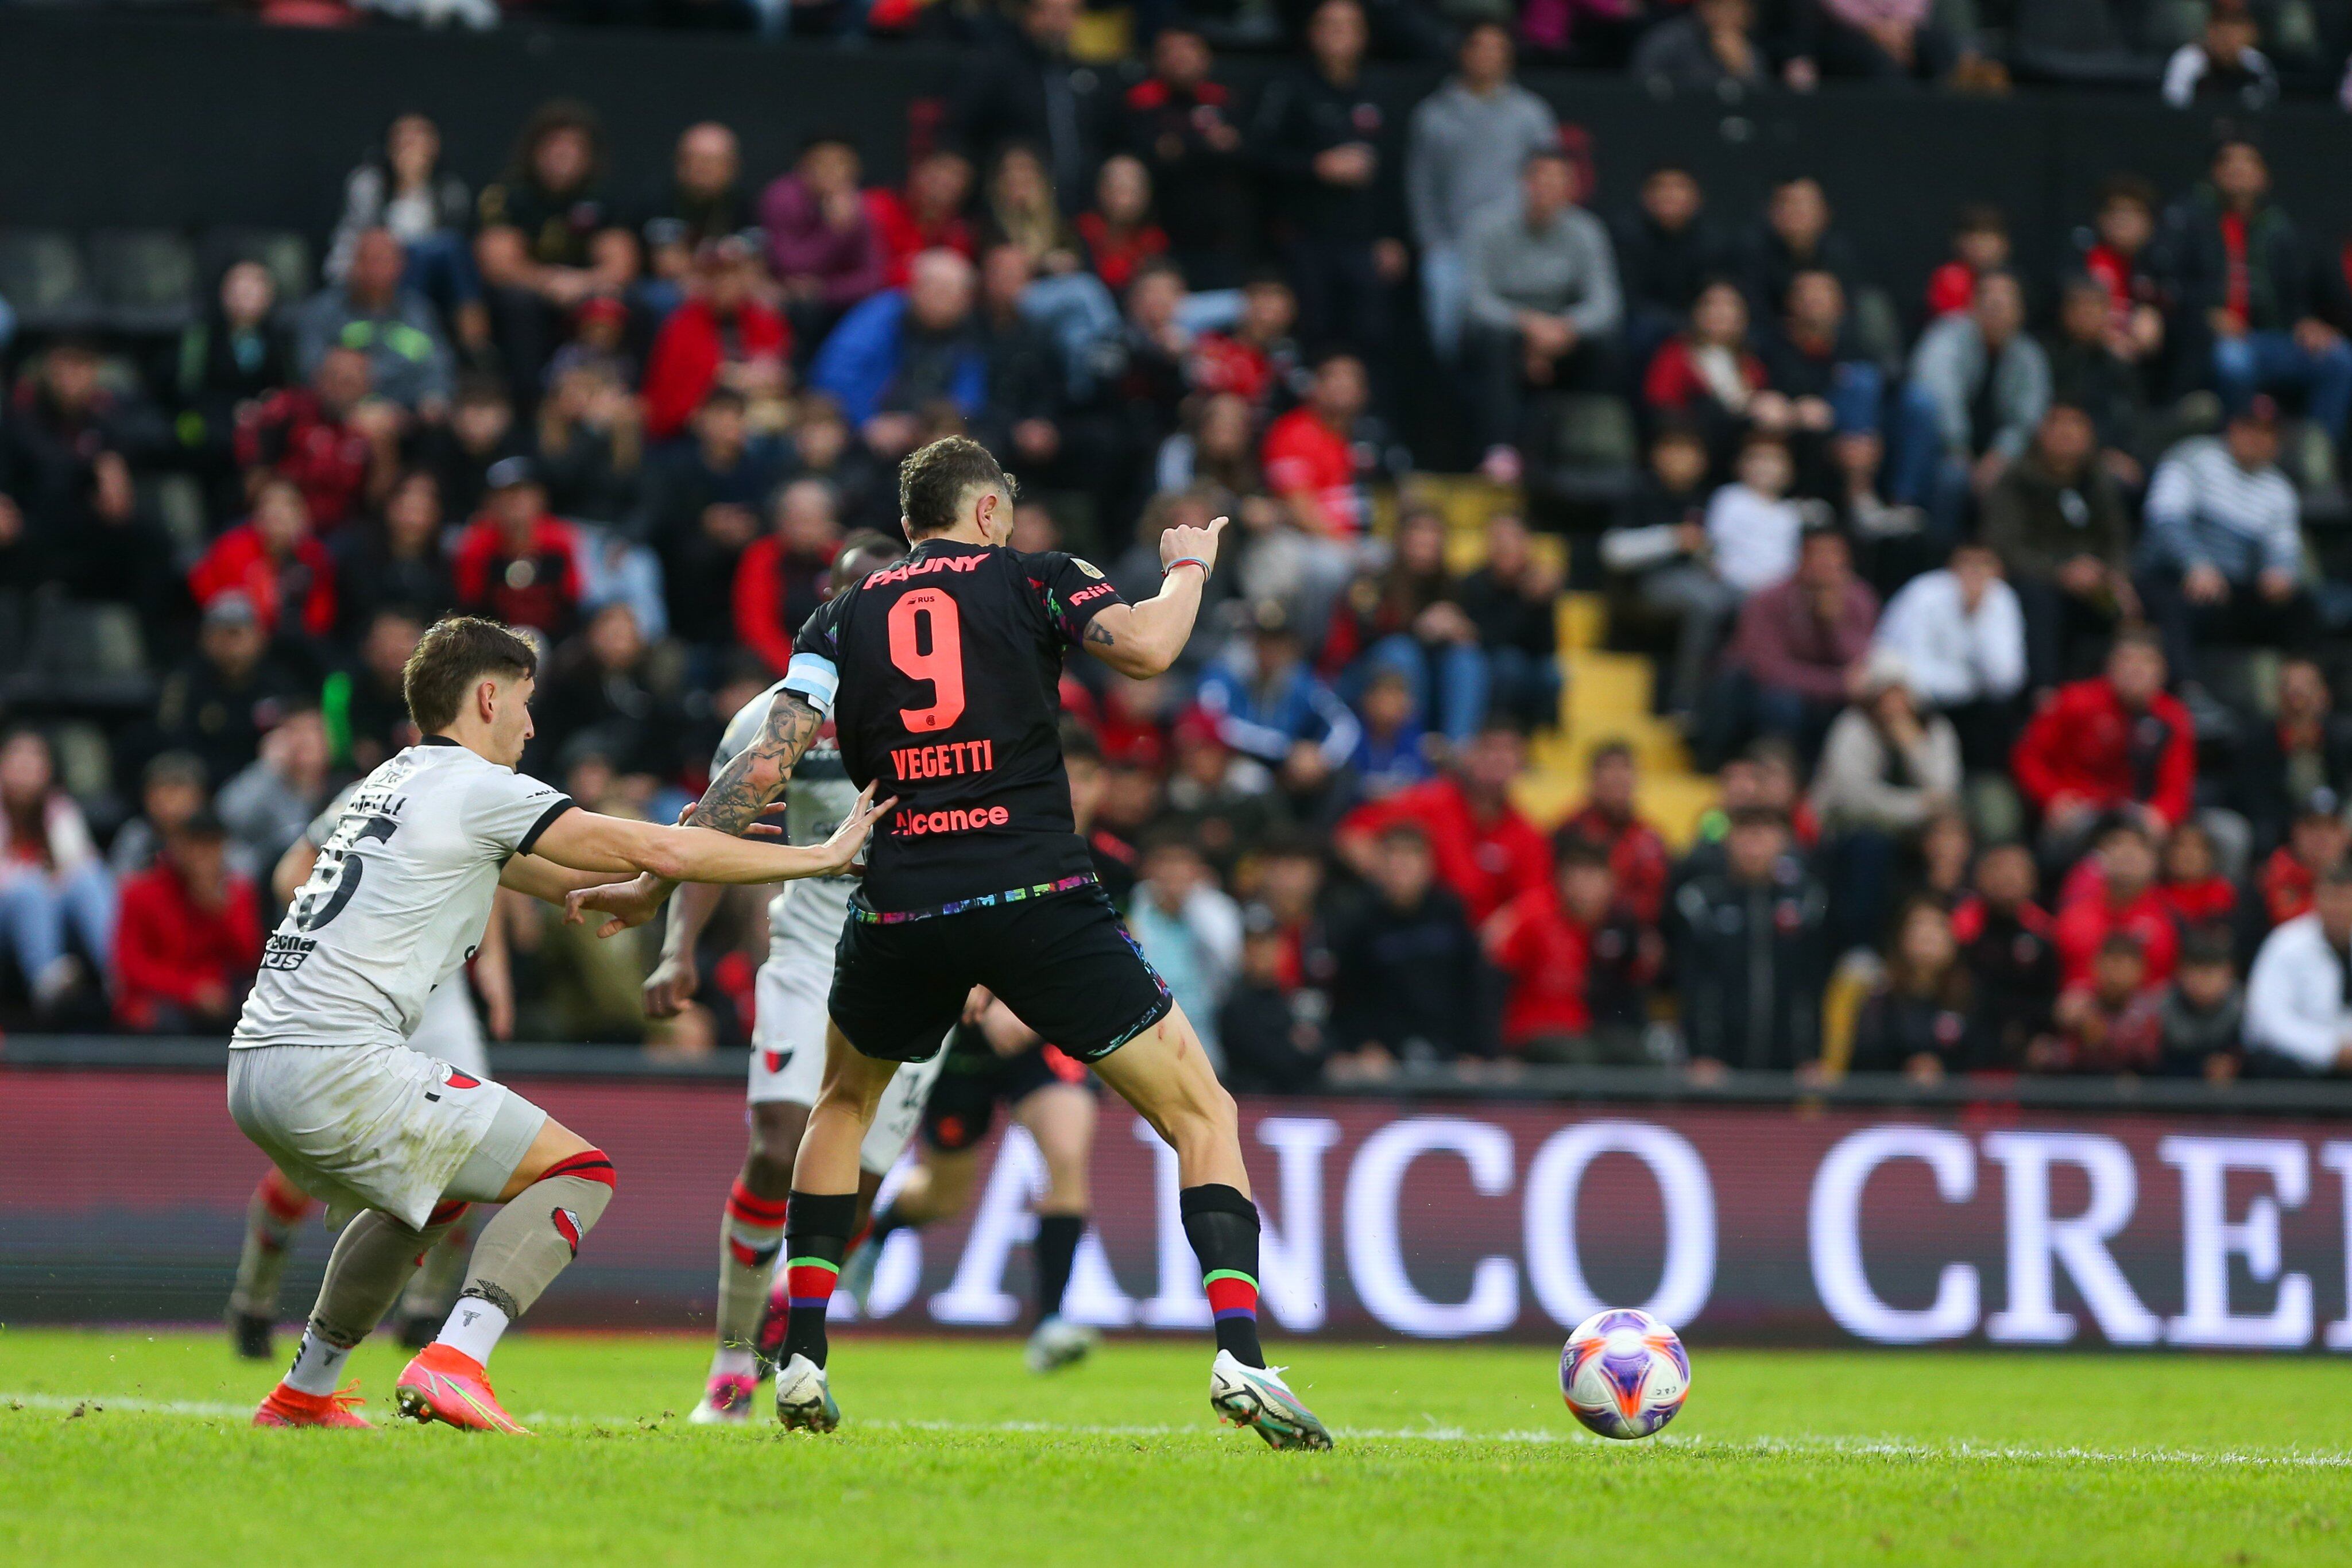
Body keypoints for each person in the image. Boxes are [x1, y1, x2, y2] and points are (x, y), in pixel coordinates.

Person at [563, 438, 1332, 1446]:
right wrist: (1187, 565)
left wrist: (653, 876)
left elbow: (760, 772)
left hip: (903, 903)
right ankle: (1240, 1355)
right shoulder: (1037, 577)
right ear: (982, 514)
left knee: (841, 1104)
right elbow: (1147, 650)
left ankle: (799, 1355)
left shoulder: (839, 617)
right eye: (1003, 513)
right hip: (1037, 894)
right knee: (1201, 1111)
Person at [232, 614, 892, 1432]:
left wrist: (652, 872)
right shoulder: (482, 786)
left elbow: (582, 875)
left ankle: (303, 1392)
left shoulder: (392, 781)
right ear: (485, 696)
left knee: (429, 1197)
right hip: (339, 1060)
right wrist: (818, 855)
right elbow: (653, 851)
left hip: (257, 1060)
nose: (532, 723)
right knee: (582, 1171)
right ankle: (457, 1357)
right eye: (524, 701)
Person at [627, 533, 950, 1420]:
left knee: (862, 1180)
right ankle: (731, 1361)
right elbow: (713, 829)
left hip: (923, 956)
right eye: (852, 597)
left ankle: (786, 1310)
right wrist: (676, 946)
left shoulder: (951, 709)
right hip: (809, 943)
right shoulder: (779, 714)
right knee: (779, 1142)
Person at [835, 720, 1132, 1375]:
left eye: (1088, 776)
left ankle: (1052, 1321)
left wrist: (1028, 1007)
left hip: (1039, 1038)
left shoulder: (1111, 862)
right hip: (960, 1042)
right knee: (943, 1196)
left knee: (1066, 1151)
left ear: (1104, 785)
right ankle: (880, 1233)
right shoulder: (995, 836)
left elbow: (1109, 947)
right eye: (1067, 775)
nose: (1077, 788)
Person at [223, 772, 516, 1361]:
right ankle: (254, 1298)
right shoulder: (377, 789)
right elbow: (292, 872)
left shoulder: (491, 792)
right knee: (314, 1158)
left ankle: (424, 1309)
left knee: (472, 1147)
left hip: (441, 998)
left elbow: (494, 879)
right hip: (362, 993)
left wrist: (494, 968)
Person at [2163, 136, 2348, 448]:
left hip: (2269, 340)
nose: (2237, 169)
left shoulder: (2279, 228)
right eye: (2228, 161)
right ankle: (2240, 447)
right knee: (2233, 361)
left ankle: (2315, 451)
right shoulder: (2189, 219)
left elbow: (2296, 291)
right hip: (2212, 339)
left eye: (2248, 162)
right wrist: (2206, 314)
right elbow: (2169, 282)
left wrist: (2306, 321)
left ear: (2265, 176)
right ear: (2213, 173)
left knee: (2340, 360)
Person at [1251, 0, 1406, 366]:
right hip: (1305, 237)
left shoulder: (1379, 91)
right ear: (1313, 33)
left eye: (1349, 25)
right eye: (1330, 25)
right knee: (1312, 331)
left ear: (1364, 36)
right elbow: (1258, 156)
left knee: (1371, 333)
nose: (1340, 34)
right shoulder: (1289, 87)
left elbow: (1395, 171)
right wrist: (1317, 166)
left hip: (1362, 239)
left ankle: (1363, 418)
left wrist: (1394, 235)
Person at [1461, 147, 1623, 481]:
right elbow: (1476, 300)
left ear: (1572, 187)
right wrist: (1528, 326)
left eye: (1558, 180)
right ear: (1524, 182)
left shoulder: (1587, 231)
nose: (1548, 187)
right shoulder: (1486, 226)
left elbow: (1605, 305)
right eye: (1540, 178)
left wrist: (1564, 329)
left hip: (1562, 333)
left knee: (1604, 346)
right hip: (1507, 329)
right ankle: (1499, 451)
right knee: (1494, 343)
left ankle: (1583, 451)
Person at [1405, 21, 1559, 363]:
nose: (1488, 56)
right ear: (1463, 53)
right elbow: (1421, 184)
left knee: (1515, 339)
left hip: (1517, 245)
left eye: (1497, 49)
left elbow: (1550, 177)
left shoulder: (1531, 113)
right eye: (1480, 47)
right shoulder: (1433, 115)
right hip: (1452, 246)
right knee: (1447, 336)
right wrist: (1431, 242)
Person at [2137, 400, 2315, 683]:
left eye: (2267, 433)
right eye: (2249, 428)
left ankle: (2304, 688)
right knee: (2171, 605)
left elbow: (2284, 547)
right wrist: (2194, 564)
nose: (2256, 438)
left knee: (2301, 605)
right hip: (2177, 577)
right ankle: (2186, 689)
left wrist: (2281, 572)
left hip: (2232, 590)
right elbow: (2165, 521)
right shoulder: (2191, 456)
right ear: (2231, 428)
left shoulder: (2280, 488)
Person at [1979, 403, 2134, 693]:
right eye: (2059, 425)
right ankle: (2044, 693)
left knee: (2122, 606)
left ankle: (2103, 697)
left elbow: (2116, 539)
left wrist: (2115, 576)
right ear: (2041, 433)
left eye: (2076, 426)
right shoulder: (2016, 479)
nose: (2067, 433)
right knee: (2040, 602)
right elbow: (2004, 546)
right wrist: (2061, 572)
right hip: (2034, 578)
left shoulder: (2099, 481)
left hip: (2093, 581)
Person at [1335, 722, 1551, 927]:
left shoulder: (1527, 835)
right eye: (1489, 748)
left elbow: (1533, 901)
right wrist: (1393, 879)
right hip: (1418, 930)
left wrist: (1503, 930)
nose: (1497, 759)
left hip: (1481, 947)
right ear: (1469, 754)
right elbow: (1354, 834)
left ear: (1521, 764)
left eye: (1508, 751)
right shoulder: (1429, 802)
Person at [2011, 627, 2194, 860]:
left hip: (2138, 814)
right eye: (2126, 660)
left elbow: (2177, 785)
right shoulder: (2074, 701)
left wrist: (2163, 814)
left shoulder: (2172, 716)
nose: (2135, 670)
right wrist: (2052, 797)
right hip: (2081, 809)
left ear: (2162, 672)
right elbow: (2028, 756)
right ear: (2110, 666)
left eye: (2146, 663)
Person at [1705, 524, 1878, 768]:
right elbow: (1768, 669)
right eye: (1818, 553)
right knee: (1782, 703)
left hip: (1825, 698)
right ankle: (1770, 777)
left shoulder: (1860, 600)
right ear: (1800, 558)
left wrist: (1834, 625)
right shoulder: (1768, 599)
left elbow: (1862, 666)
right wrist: (1837, 684)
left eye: (1834, 554)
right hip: (1763, 694)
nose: (1826, 563)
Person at [1672, 806, 1828, 1075]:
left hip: (1788, 1067)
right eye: (1745, 832)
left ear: (1784, 840)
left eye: (1765, 832)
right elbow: (1696, 984)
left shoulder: (1807, 902)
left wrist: (1810, 1054)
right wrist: (1702, 1052)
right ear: (1729, 839)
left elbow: (1810, 986)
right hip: (1717, 1068)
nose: (1754, 844)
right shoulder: (1702, 902)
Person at [1901, 270, 2050, 539]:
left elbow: (2028, 419)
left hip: (1999, 456)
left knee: (2016, 482)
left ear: (2021, 312)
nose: (1996, 309)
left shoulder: (2030, 356)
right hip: (1944, 447)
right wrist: (1960, 450)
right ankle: (1935, 548)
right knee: (1953, 479)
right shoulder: (1946, 336)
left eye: (2006, 303)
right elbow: (1937, 393)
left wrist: (2000, 457)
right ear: (1973, 305)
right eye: (1989, 300)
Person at [1330, 822, 1489, 1068]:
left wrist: (1478, 1050)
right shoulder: (1358, 920)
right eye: (1392, 854)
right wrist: (1363, 1045)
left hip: (1451, 1051)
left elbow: (1472, 985)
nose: (1401, 864)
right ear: (1378, 865)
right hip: (1384, 1056)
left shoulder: (1450, 911)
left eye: (1412, 854)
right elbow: (1348, 995)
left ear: (1430, 864)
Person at [1115, 25, 1254, 289]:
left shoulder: (1225, 99)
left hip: (1221, 239)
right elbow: (1152, 154)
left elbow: (1243, 151)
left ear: (1206, 57)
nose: (1181, 58)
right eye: (1170, 51)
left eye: (1189, 49)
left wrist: (1182, 146)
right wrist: (1206, 144)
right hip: (1161, 237)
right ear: (1156, 59)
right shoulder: (1140, 102)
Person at [1869, 539, 2026, 766]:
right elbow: (1896, 654)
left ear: (1998, 570)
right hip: (1922, 700)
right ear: (1951, 566)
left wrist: (1976, 615)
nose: (1974, 572)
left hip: (1974, 709)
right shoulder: (1924, 592)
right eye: (1967, 564)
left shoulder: (2002, 598)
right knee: (1895, 701)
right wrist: (1965, 685)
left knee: (1994, 720)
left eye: (1983, 565)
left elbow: (2006, 680)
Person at [112, 808, 260, 1035]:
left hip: (220, 1000)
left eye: (211, 846)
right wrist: (191, 991)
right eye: (194, 845)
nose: (201, 857)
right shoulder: (139, 892)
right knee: (165, 1019)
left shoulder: (237, 893)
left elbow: (249, 958)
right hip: (160, 1002)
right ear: (175, 847)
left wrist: (221, 911)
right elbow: (131, 966)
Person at [0, 729, 115, 1017]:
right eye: (17, 761)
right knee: (28, 888)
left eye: (34, 761)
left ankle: (119, 974)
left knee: (90, 878)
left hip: (53, 909)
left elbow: (79, 865)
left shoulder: (60, 810)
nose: (25, 769)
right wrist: (39, 880)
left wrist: (51, 883)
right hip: (9, 915)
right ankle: (46, 980)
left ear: (48, 771)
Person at [293, 227, 457, 416]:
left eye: (385, 260)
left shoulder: (419, 311)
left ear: (401, 265)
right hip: (343, 415)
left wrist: (430, 400)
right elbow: (310, 371)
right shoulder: (323, 310)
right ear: (354, 265)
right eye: (370, 260)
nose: (377, 269)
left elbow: (439, 368)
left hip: (410, 416)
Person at [642, 238, 791, 443]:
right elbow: (669, 396)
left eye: (732, 275)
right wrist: (724, 375)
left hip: (755, 419)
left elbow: (780, 371)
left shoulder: (763, 320)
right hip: (697, 428)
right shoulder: (682, 325)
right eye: (717, 276)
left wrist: (767, 377)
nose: (726, 283)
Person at [1951, 840, 2059, 1071]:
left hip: (2025, 1045)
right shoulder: (1960, 928)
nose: (2008, 876)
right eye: (1998, 867)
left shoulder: (2044, 932)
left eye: (2017, 869)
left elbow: (2049, 994)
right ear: (1980, 876)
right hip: (1970, 1042)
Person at [2232, 659, 2352, 857]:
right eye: (2289, 690)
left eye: (2306, 689)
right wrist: (2301, 830)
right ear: (2278, 698)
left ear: (2324, 695)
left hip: (2336, 823)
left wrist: (2332, 828)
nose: (2298, 699)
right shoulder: (2255, 743)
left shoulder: (2343, 740)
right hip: (2282, 829)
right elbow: (2257, 803)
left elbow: (2345, 791)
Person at [2243, 858, 2352, 1077]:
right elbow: (2267, 1022)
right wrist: (2330, 1050)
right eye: (2330, 897)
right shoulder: (2285, 944)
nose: (2337, 907)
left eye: (2345, 898)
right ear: (2316, 899)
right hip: (2299, 1067)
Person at [1848, 897, 1976, 1081]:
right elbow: (1864, 1064)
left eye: (1938, 925)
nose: (1928, 934)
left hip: (1956, 1106)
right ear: (1902, 937)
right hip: (1894, 1104)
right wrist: (1906, 1070)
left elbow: (1982, 1057)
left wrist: (1944, 1069)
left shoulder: (1969, 995)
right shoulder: (1880, 998)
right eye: (1919, 924)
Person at [1553, 741, 1672, 927]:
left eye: (1625, 769)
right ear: (1592, 780)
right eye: (1609, 769)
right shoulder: (1569, 833)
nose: (1617, 777)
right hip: (1578, 935)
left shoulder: (1652, 839)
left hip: (1637, 938)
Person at [2052, 818, 2179, 990]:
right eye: (2117, 844)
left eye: (2139, 846)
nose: (2127, 853)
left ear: (2154, 861)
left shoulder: (2171, 917)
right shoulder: (2074, 917)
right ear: (2100, 858)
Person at [2048, 932, 2163, 1075]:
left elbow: (2149, 1063)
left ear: (2140, 970)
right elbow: (2061, 1059)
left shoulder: (2149, 1014)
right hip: (2079, 1088)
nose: (2115, 978)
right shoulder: (2078, 1005)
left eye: (2123, 968)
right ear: (2095, 965)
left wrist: (2105, 1039)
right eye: (2111, 967)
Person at [2154, 926, 2243, 1081]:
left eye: (2210, 973)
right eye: (2196, 971)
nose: (2203, 982)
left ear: (2230, 973)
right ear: (2180, 972)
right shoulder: (2161, 1010)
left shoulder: (2247, 1011)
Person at [2162, 2, 2277, 110]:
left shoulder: (2256, 63)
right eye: (2222, 24)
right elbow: (2174, 111)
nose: (2229, 33)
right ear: (2210, 28)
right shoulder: (2188, 60)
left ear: (2250, 31)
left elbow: (2268, 109)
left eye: (2236, 24)